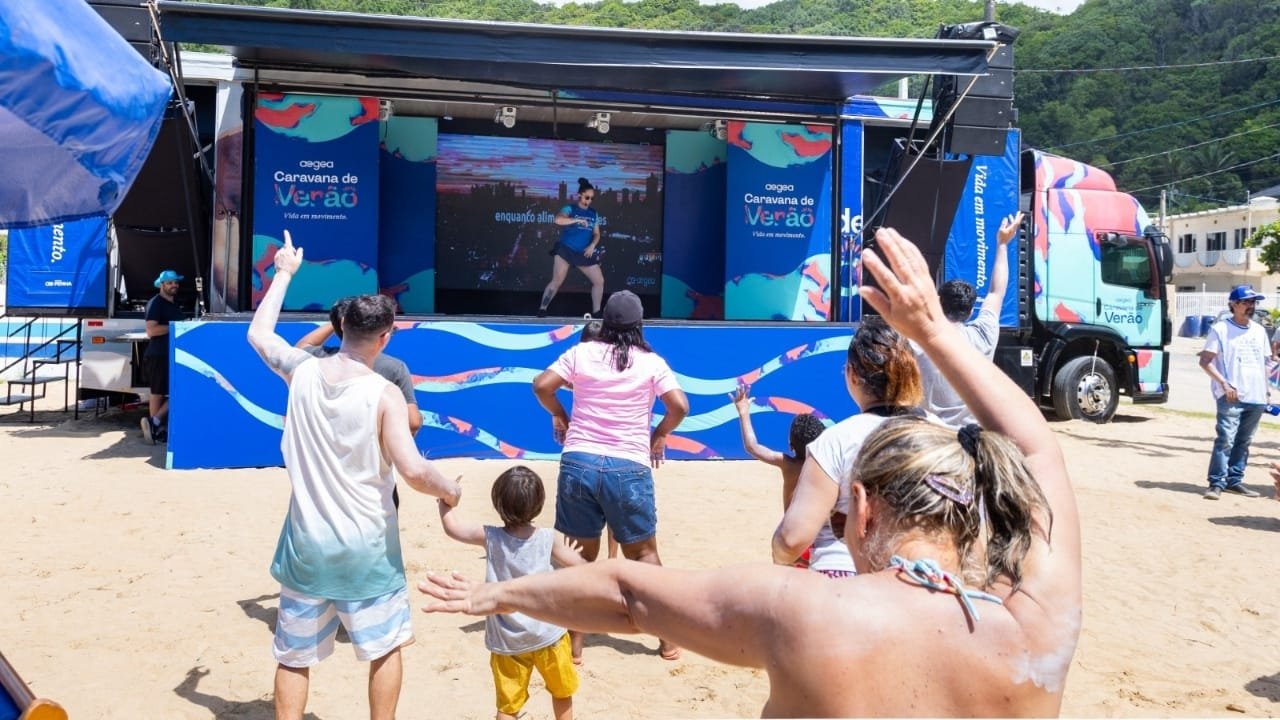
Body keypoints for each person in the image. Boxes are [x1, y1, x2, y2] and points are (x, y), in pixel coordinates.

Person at [420, 226, 1081, 717]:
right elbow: (1041, 450)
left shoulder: (807, 610)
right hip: (625, 466)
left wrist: (502, 593)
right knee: (642, 544)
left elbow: (630, 595)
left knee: (610, 552)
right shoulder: (1035, 631)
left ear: (862, 507)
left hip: (586, 468)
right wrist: (936, 332)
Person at [246, 231, 463, 720]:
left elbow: (259, 334)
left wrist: (283, 272)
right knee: (384, 649)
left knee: (293, 656)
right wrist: (449, 489)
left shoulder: (302, 371)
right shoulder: (385, 393)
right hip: (367, 550)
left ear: (341, 325)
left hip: (306, 545)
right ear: (385, 337)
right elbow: (412, 470)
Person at [531, 289, 688, 662]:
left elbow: (541, 385)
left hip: (579, 461)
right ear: (638, 325)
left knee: (578, 559)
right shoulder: (652, 362)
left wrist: (563, 417)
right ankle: (668, 640)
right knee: (644, 555)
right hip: (628, 466)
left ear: (604, 320)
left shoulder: (582, 352)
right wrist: (659, 434)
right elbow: (680, 405)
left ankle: (575, 646)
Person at [771, 316, 924, 578]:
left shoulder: (836, 440)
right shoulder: (943, 437)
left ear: (852, 374)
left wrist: (778, 549)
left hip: (841, 574)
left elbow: (791, 540)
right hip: (917, 578)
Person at [436, 465, 585, 720]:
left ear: (498, 503)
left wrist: (444, 500)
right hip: (549, 634)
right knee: (561, 693)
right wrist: (566, 559)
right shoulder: (549, 539)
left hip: (507, 640)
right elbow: (581, 568)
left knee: (508, 706)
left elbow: (453, 529)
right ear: (539, 504)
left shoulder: (490, 537)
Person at [915, 211, 1023, 428]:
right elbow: (996, 292)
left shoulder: (920, 342)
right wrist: (1002, 245)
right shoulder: (984, 334)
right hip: (974, 437)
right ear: (971, 310)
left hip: (933, 439)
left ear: (938, 302)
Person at [1199, 284, 1270, 500]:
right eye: (1247, 302)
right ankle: (1216, 483)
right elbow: (1205, 361)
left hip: (1256, 396)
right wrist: (1224, 384)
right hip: (1231, 395)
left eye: (1253, 302)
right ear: (1234, 304)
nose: (1251, 306)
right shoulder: (1220, 329)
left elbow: (1265, 364)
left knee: (1244, 441)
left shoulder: (1259, 331)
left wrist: (1266, 391)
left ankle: (1234, 480)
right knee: (1226, 439)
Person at [537, 178, 604, 318]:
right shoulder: (570, 208)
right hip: (565, 250)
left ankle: (597, 313)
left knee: (599, 281)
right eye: (587, 197)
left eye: (592, 198)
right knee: (557, 281)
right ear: (580, 195)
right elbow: (558, 219)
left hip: (583, 252)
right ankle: (542, 308)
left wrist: (592, 245)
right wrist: (577, 220)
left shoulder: (594, 213)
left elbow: (597, 234)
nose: (589, 201)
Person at [140, 269, 187, 444]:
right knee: (158, 393)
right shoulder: (156, 303)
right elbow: (151, 330)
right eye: (169, 282)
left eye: (176, 282)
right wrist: (176, 327)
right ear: (161, 285)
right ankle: (156, 429)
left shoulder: (174, 304)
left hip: (171, 353)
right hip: (158, 354)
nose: (174, 285)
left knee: (174, 390)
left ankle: (154, 424)